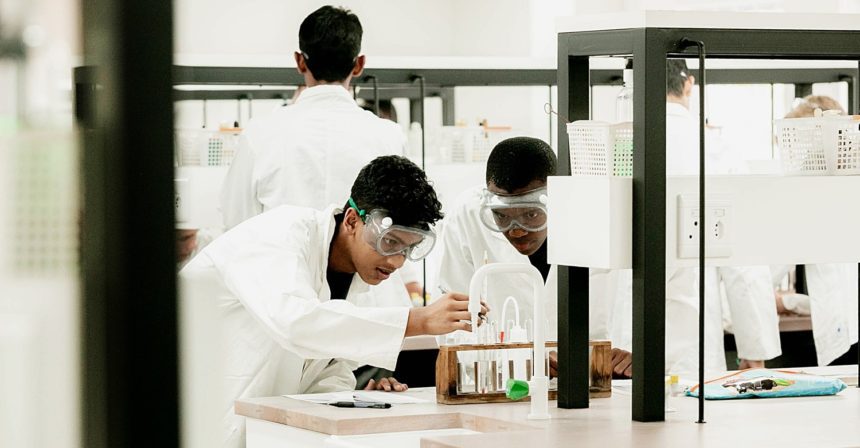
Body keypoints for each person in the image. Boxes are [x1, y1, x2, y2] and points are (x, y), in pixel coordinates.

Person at [181, 156, 488, 447]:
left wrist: (356, 399)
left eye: (409, 250)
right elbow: (295, 324)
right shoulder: (278, 235)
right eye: (390, 242)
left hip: (255, 429)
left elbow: (325, 375)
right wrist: (417, 320)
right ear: (352, 220)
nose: (396, 261)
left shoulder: (359, 282)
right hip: (183, 413)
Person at [437, 137, 634, 378]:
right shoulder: (468, 216)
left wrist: (631, 354)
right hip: (508, 386)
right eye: (502, 217)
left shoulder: (597, 215)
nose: (517, 230)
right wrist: (510, 362)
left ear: (557, 199)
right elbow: (453, 323)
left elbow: (629, 299)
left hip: (593, 381)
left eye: (531, 214)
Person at [220, 5, 405, 230]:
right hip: (359, 266)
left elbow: (236, 225)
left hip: (277, 263)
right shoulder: (390, 137)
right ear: (358, 65)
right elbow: (400, 227)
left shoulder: (259, 135)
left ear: (300, 61)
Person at [662, 59, 781, 374]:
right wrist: (754, 348)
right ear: (688, 84)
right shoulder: (714, 150)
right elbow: (743, 259)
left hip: (615, 340)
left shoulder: (611, 143)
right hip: (690, 331)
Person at [772, 96, 858, 366]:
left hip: (846, 336)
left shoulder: (811, 194)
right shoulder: (839, 185)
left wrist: (786, 303)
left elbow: (766, 271)